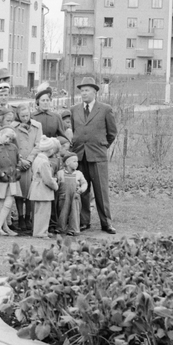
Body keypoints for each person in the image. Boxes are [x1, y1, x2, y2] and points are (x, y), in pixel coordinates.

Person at [69, 76, 117, 234]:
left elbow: (112, 133)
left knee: (101, 191)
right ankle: (84, 221)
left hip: (97, 157)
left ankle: (106, 222)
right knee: (82, 190)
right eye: (82, 91)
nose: (84, 93)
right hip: (80, 156)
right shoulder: (74, 109)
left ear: (95, 92)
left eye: (87, 90)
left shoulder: (105, 109)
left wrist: (101, 147)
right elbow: (75, 131)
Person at [0, 127, 21, 237]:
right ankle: (2, 227)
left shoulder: (13, 147)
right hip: (1, 178)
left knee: (9, 201)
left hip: (13, 178)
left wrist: (18, 170)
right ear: (0, 134)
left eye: (10, 138)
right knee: (2, 202)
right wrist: (0, 173)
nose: (8, 140)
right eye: (7, 136)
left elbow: (18, 161)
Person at [28, 137, 60, 238]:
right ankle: (40, 233)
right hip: (43, 190)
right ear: (50, 150)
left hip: (36, 188)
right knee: (44, 212)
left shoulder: (37, 159)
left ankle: (40, 231)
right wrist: (55, 186)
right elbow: (47, 179)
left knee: (38, 212)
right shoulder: (45, 162)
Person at [56, 153, 89, 235]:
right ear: (67, 163)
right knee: (63, 212)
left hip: (75, 196)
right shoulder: (60, 173)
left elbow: (84, 183)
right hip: (63, 196)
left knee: (75, 212)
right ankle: (60, 228)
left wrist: (81, 189)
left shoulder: (79, 174)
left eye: (77, 161)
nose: (76, 163)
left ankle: (73, 229)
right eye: (74, 161)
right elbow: (56, 184)